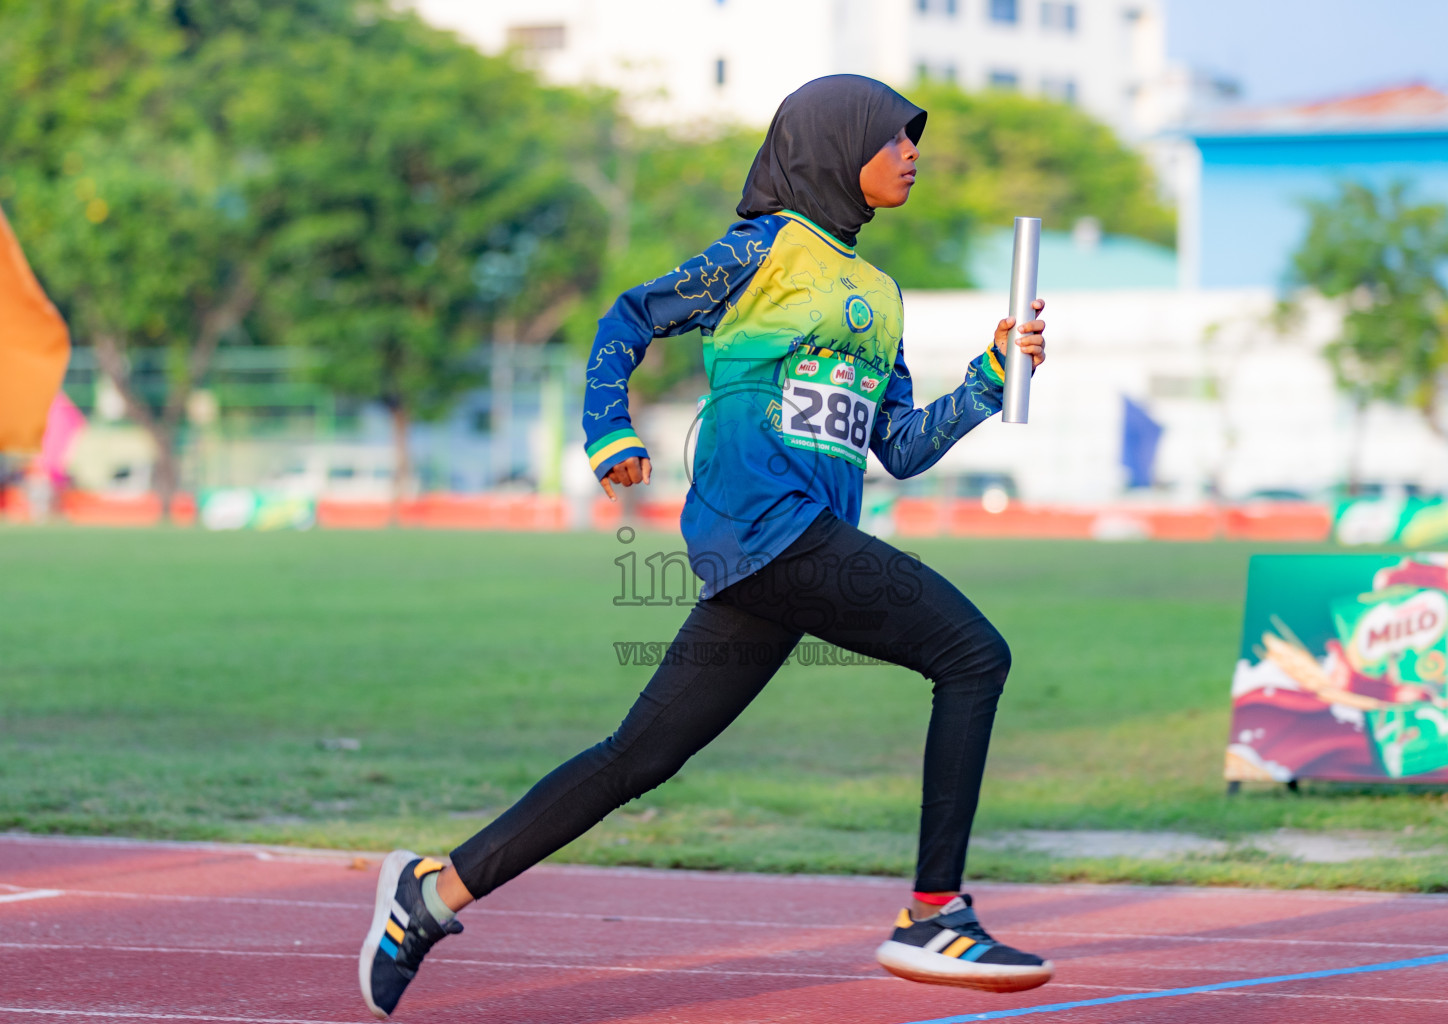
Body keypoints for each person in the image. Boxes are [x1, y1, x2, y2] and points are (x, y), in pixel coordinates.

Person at [359, 74, 1050, 1018]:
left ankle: (428, 897)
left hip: (791, 551)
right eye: (895, 137)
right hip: (765, 528)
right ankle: (934, 913)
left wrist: (989, 375)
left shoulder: (881, 296)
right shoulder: (762, 251)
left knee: (635, 758)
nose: (912, 153)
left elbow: (899, 446)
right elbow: (628, 319)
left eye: (914, 140)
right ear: (831, 145)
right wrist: (609, 430)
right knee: (973, 653)